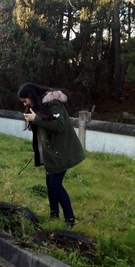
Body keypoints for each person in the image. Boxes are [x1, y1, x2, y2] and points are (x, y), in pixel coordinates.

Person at [18, 83, 85, 227]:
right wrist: (38, 149)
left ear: (31, 96)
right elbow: (42, 131)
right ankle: (54, 214)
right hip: (52, 151)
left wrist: (36, 119)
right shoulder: (39, 106)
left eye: (25, 100)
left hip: (62, 151)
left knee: (55, 184)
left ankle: (70, 219)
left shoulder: (53, 103)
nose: (25, 104)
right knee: (50, 184)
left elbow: (59, 125)